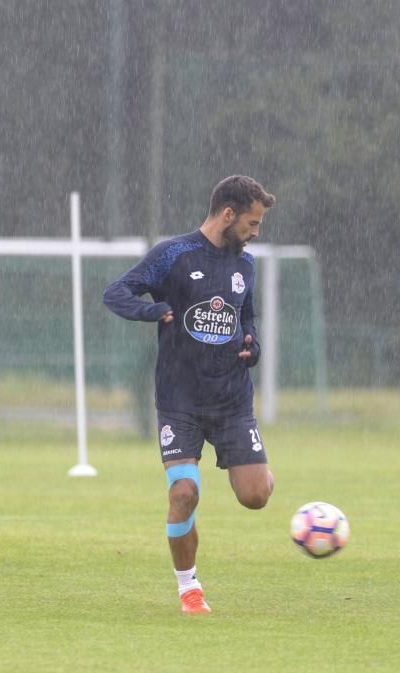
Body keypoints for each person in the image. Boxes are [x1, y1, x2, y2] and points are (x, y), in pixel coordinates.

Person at [103, 175, 276, 612]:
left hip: (232, 401)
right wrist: (152, 309)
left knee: (256, 495)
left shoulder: (245, 265)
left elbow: (248, 317)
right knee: (183, 492)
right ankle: (189, 588)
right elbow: (115, 292)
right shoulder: (174, 255)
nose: (256, 233)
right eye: (253, 224)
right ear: (228, 214)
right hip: (180, 401)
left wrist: (251, 344)